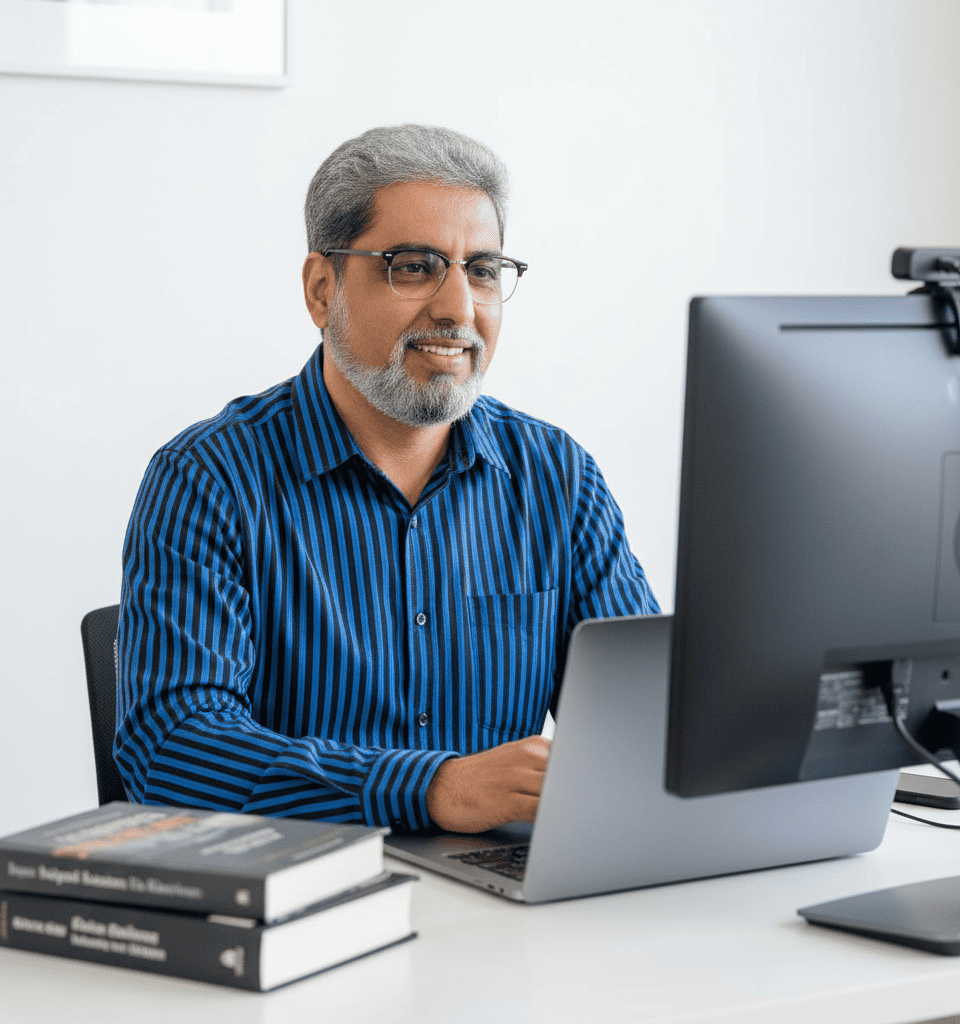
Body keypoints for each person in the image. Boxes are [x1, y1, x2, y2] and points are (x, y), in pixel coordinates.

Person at [116, 124, 658, 834]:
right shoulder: (208, 480)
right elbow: (172, 749)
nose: (459, 309)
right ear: (321, 290)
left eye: (484, 270)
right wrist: (431, 789)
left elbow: (647, 723)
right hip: (305, 905)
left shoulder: (557, 478)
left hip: (514, 904)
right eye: (413, 266)